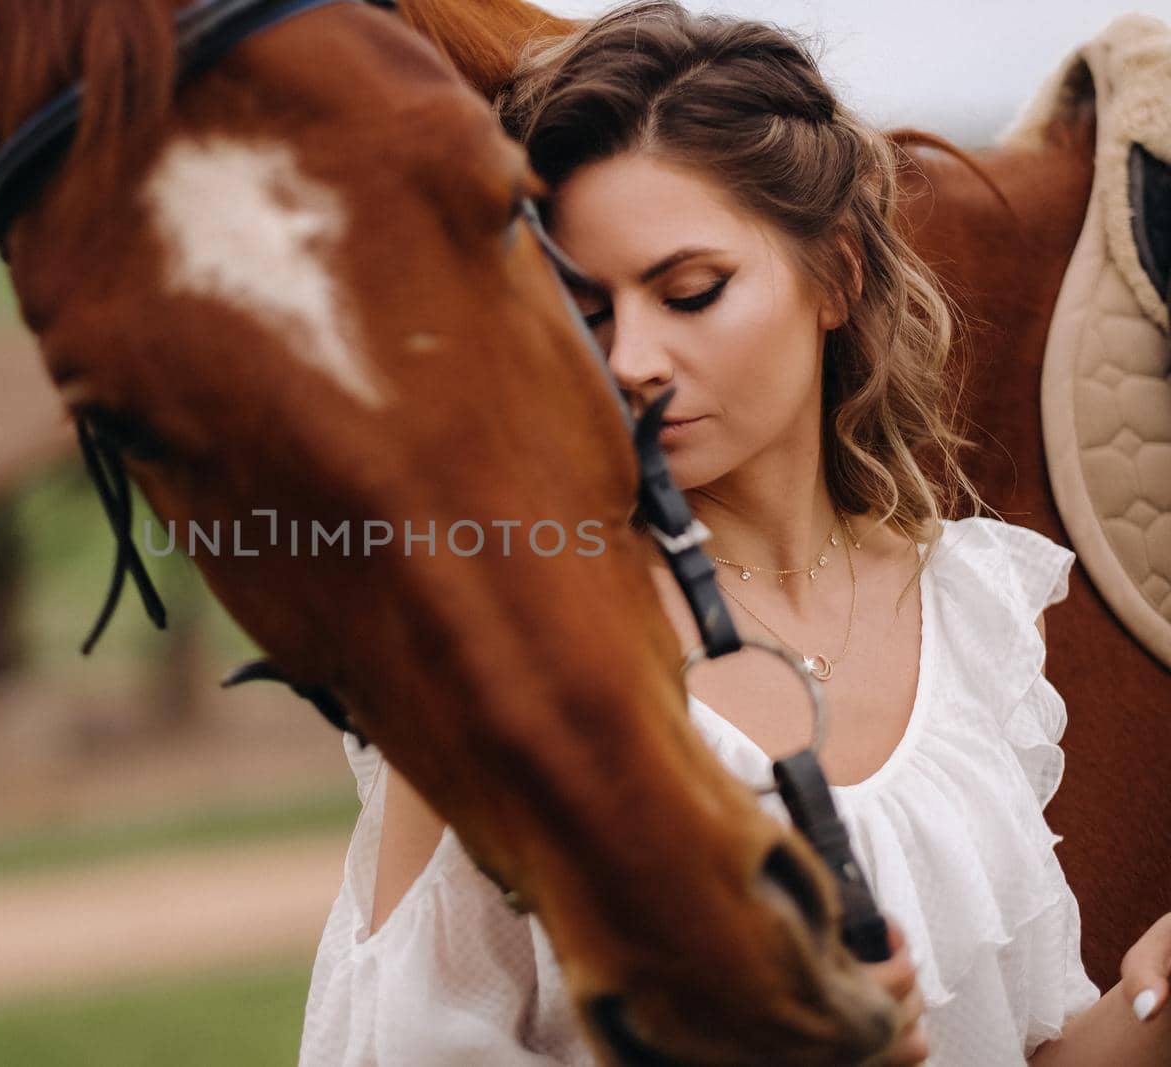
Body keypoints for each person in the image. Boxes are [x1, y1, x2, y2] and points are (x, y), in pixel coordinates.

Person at [298, 3, 1171, 1065]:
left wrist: (1146, 1005)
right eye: (586, 313)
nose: (629, 360)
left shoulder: (975, 610)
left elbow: (1020, 1044)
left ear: (837, 272)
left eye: (689, 291)